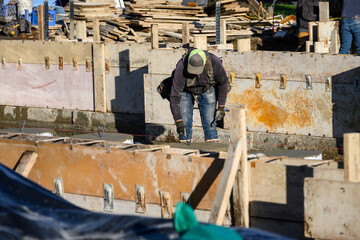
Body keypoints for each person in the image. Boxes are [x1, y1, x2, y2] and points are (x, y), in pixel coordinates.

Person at [169, 48, 229, 143]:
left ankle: (212, 148)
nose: (196, 73)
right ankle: (185, 147)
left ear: (204, 63)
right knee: (184, 122)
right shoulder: (181, 66)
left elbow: (223, 83)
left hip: (207, 88)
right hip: (186, 90)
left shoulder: (214, 62)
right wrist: (178, 122)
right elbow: (174, 96)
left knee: (210, 122)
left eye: (198, 70)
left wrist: (221, 107)